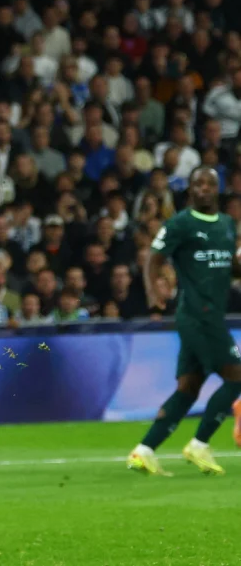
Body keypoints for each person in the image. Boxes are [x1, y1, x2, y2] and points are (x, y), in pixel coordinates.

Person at [128, 167, 241, 476]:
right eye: (197, 184)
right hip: (196, 314)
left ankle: (144, 450)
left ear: (217, 189)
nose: (203, 188)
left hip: (211, 314)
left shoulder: (227, 224)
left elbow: (229, 267)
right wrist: (153, 291)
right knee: (236, 376)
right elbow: (154, 257)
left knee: (188, 387)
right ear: (190, 190)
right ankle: (199, 443)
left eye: (209, 184)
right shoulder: (181, 223)